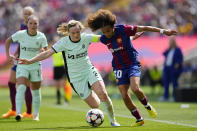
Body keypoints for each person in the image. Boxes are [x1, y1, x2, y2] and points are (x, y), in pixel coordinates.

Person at [18, 20, 120, 126]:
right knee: (95, 104)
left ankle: (113, 121)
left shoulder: (86, 37)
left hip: (89, 70)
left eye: (78, 32)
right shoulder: (63, 42)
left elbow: (105, 38)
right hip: (75, 78)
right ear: (68, 33)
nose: (76, 35)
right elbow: (47, 53)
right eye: (73, 33)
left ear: (81, 30)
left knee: (103, 94)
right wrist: (30, 61)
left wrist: (127, 38)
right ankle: (95, 95)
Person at [86, 9, 177, 126]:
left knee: (135, 88)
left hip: (132, 63)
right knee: (124, 95)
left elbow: (144, 27)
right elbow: (119, 43)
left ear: (113, 26)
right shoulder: (104, 39)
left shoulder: (123, 29)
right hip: (118, 67)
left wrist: (163, 31)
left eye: (108, 31)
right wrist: (132, 39)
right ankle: (139, 119)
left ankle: (147, 106)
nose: (107, 34)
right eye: (104, 32)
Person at [5, 15, 48, 121]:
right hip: (22, 65)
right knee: (21, 87)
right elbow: (8, 41)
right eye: (31, 23)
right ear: (27, 24)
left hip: (36, 66)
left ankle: (36, 115)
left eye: (35, 23)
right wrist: (8, 54)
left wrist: (43, 51)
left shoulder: (41, 36)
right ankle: (18, 113)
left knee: (36, 91)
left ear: (38, 24)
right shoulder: (21, 34)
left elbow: (47, 51)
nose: (33, 25)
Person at [2, 6, 34, 119]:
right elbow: (21, 43)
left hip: (26, 60)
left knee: (24, 85)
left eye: (29, 13)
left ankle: (29, 112)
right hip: (19, 58)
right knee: (11, 83)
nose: (26, 15)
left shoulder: (32, 27)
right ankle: (14, 109)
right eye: (25, 13)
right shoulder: (22, 26)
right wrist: (15, 54)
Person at [159, 36, 183, 102]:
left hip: (173, 69)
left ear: (174, 42)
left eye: (171, 41)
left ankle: (174, 96)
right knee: (166, 83)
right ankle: (165, 96)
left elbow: (180, 58)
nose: (170, 42)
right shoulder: (169, 49)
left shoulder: (178, 49)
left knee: (174, 83)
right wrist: (168, 48)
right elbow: (163, 53)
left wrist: (177, 64)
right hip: (167, 68)